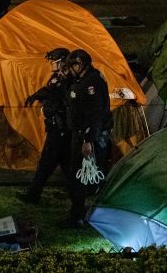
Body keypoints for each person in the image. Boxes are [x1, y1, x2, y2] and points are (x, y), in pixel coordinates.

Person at [63, 49, 112, 227]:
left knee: (80, 178)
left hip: (89, 137)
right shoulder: (81, 80)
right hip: (83, 135)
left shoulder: (92, 83)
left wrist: (88, 140)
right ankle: (84, 213)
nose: (71, 69)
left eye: (73, 65)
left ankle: (78, 217)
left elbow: (95, 114)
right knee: (80, 177)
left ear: (80, 64)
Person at [18, 48, 72, 204]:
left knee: (47, 163)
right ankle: (77, 192)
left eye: (53, 62)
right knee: (66, 163)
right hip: (56, 128)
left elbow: (56, 92)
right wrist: (35, 96)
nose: (51, 65)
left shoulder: (68, 80)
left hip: (60, 130)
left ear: (62, 62)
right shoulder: (57, 78)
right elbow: (49, 89)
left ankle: (33, 195)